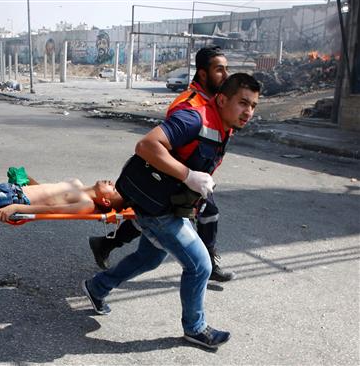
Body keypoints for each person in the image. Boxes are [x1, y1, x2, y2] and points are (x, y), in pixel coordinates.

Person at [81, 73, 260, 350]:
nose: (248, 111)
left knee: (148, 258)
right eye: (243, 103)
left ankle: (97, 287)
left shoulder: (223, 125)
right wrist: (189, 175)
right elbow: (146, 145)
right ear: (222, 99)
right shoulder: (194, 118)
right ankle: (195, 328)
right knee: (201, 265)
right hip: (157, 208)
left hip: (170, 205)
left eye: (253, 106)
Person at [89, 45, 236, 282]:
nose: (226, 75)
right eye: (220, 69)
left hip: (187, 179)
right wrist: (187, 176)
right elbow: (155, 145)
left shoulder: (213, 102)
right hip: (169, 179)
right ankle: (207, 265)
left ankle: (104, 255)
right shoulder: (189, 105)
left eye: (227, 69)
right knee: (161, 222)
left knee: (148, 235)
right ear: (202, 73)